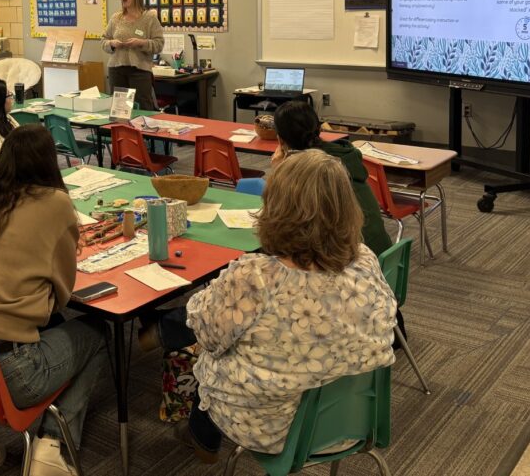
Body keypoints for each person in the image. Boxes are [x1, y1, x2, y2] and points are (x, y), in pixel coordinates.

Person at [143, 150, 396, 462]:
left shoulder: (257, 277)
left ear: (276, 208)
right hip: (352, 421)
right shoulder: (365, 259)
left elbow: (207, 336)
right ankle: (163, 344)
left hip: (276, 429)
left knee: (212, 352)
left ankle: (201, 436)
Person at [0, 126, 108, 476]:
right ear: (50, 161)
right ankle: (51, 445)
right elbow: (62, 294)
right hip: (10, 369)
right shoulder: (55, 203)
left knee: (3, 322)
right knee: (96, 331)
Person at [271, 100, 392, 258]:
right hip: (381, 254)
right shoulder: (343, 154)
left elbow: (280, 219)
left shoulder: (313, 170)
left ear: (280, 140)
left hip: (354, 259)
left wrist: (279, 171)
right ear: (319, 129)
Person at [102, 0, 165, 113]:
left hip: (140, 71)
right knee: (120, 111)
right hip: (116, 69)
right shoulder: (116, 18)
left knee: (142, 109)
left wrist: (141, 43)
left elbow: (159, 44)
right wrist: (112, 44)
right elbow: (104, 41)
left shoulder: (149, 18)